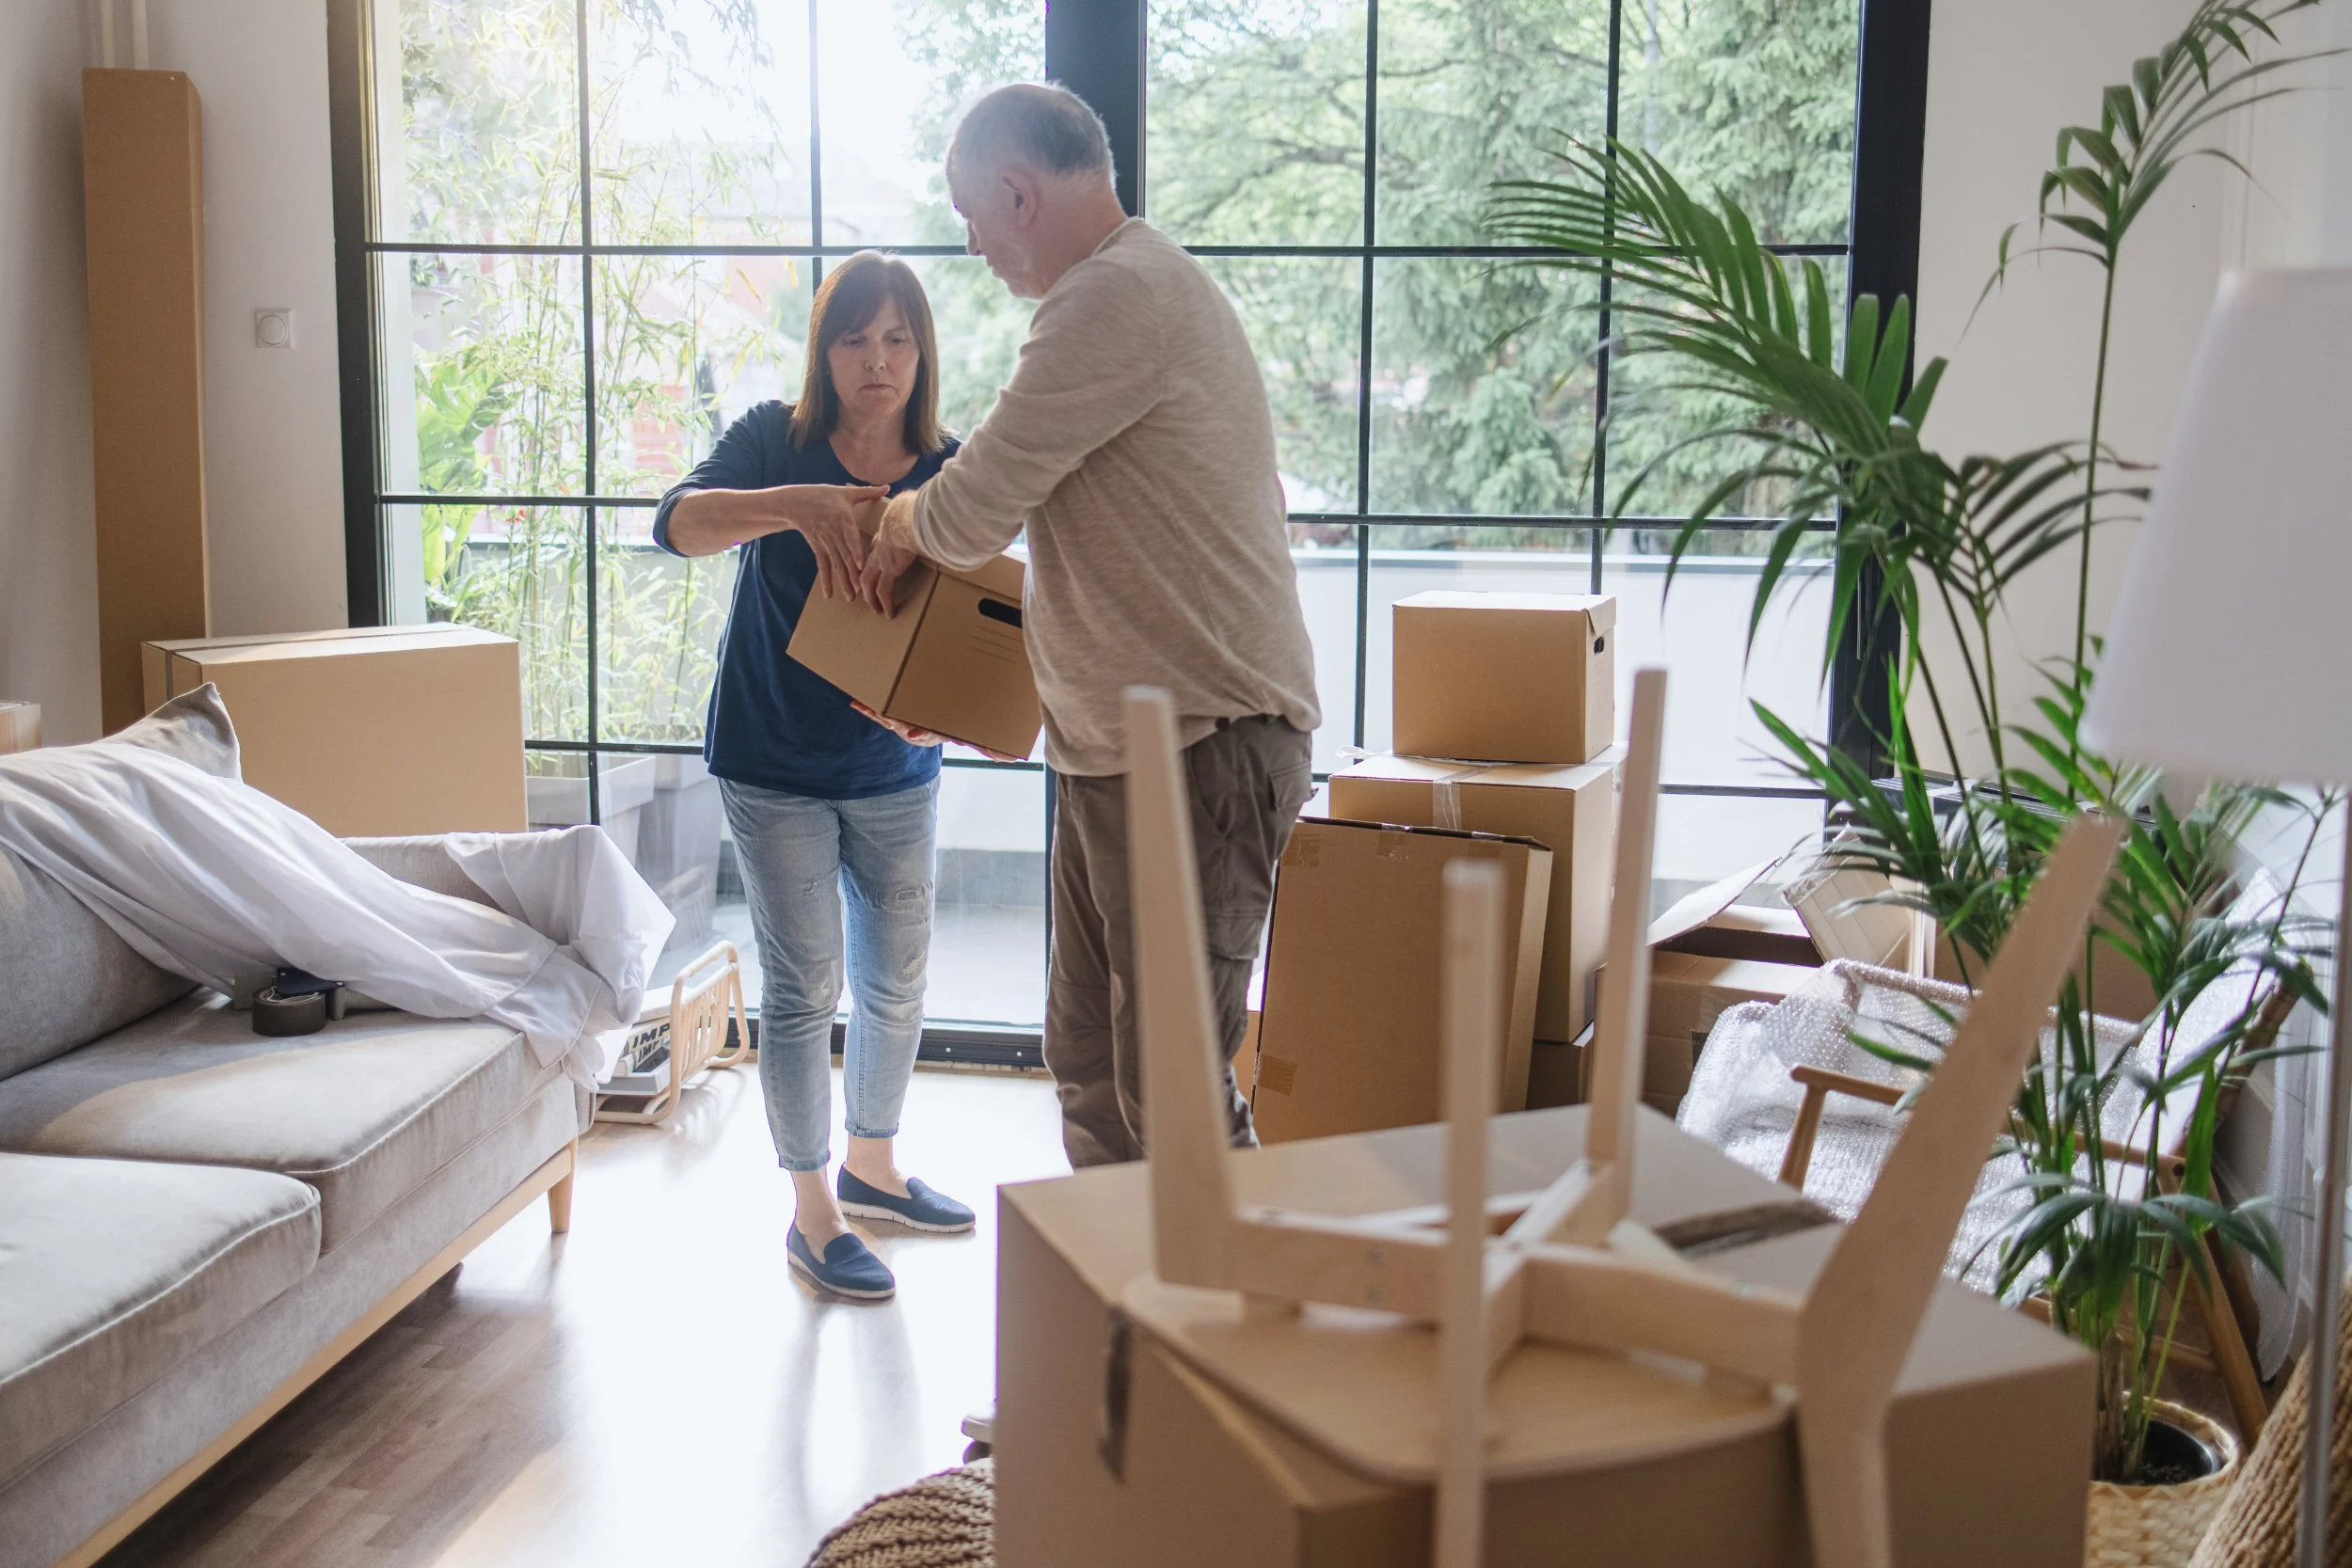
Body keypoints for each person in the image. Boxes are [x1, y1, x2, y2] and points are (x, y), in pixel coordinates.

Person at [860, 83, 1320, 1171]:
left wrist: (892, 520)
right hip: (1124, 748)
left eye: (972, 215)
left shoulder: (1114, 298)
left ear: (1017, 192)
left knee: (1170, 1088)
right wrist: (953, 690)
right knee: (1090, 1062)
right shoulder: (1126, 295)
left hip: (1202, 743)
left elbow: (972, 509)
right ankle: (1119, 1319)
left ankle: (1230, 1333)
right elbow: (1102, 564)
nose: (972, 245)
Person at [656, 250, 976, 1304]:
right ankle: (813, 1211)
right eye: (853, 337)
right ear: (823, 349)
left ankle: (872, 1166)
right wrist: (798, 503)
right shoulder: (772, 439)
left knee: (898, 977)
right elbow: (677, 524)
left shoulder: (949, 467)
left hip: (897, 762)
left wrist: (950, 709)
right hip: (772, 758)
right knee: (804, 989)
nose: (875, 361)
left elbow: (992, 616)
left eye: (895, 338)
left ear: (921, 351)